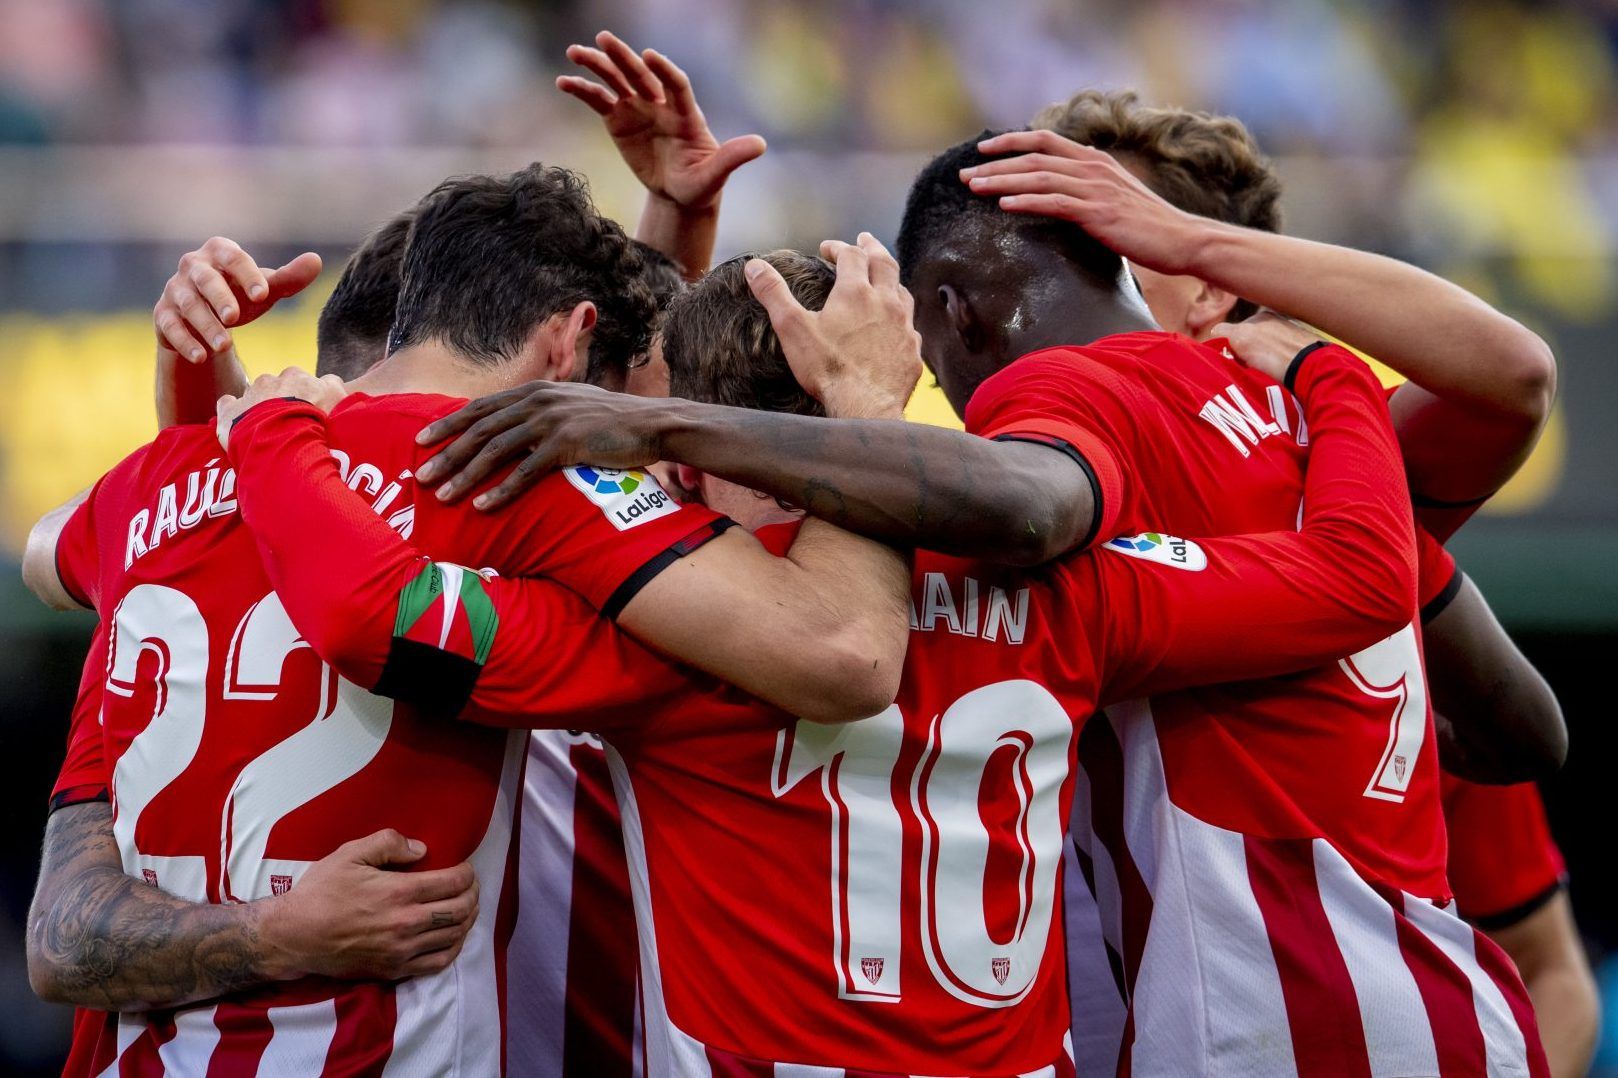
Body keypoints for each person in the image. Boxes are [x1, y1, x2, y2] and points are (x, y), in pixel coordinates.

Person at [413, 132, 1550, 1074]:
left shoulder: (697, 611)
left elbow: (1024, 511)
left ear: (948, 313)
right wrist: (1331, 374)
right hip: (1449, 999)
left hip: (1259, 1025)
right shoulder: (1233, 499)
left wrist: (265, 431)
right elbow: (1517, 725)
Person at [213, 243, 1416, 1075]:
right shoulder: (1074, 594)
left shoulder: (652, 639)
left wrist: (235, 430)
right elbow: (1363, 580)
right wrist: (1325, 372)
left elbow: (376, 609)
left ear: (683, 455)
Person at [23, 163, 911, 1073]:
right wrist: (871, 412)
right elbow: (842, 651)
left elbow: (47, 556)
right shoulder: (516, 479)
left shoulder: (150, 493)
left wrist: (203, 399)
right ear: (570, 346)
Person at [1025, 89, 1590, 1075]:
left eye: (1101, 248)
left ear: (1205, 289)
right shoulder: (1019, 481)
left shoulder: (1325, 470)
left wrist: (1190, 244)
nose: (1041, 285)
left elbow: (1511, 378)